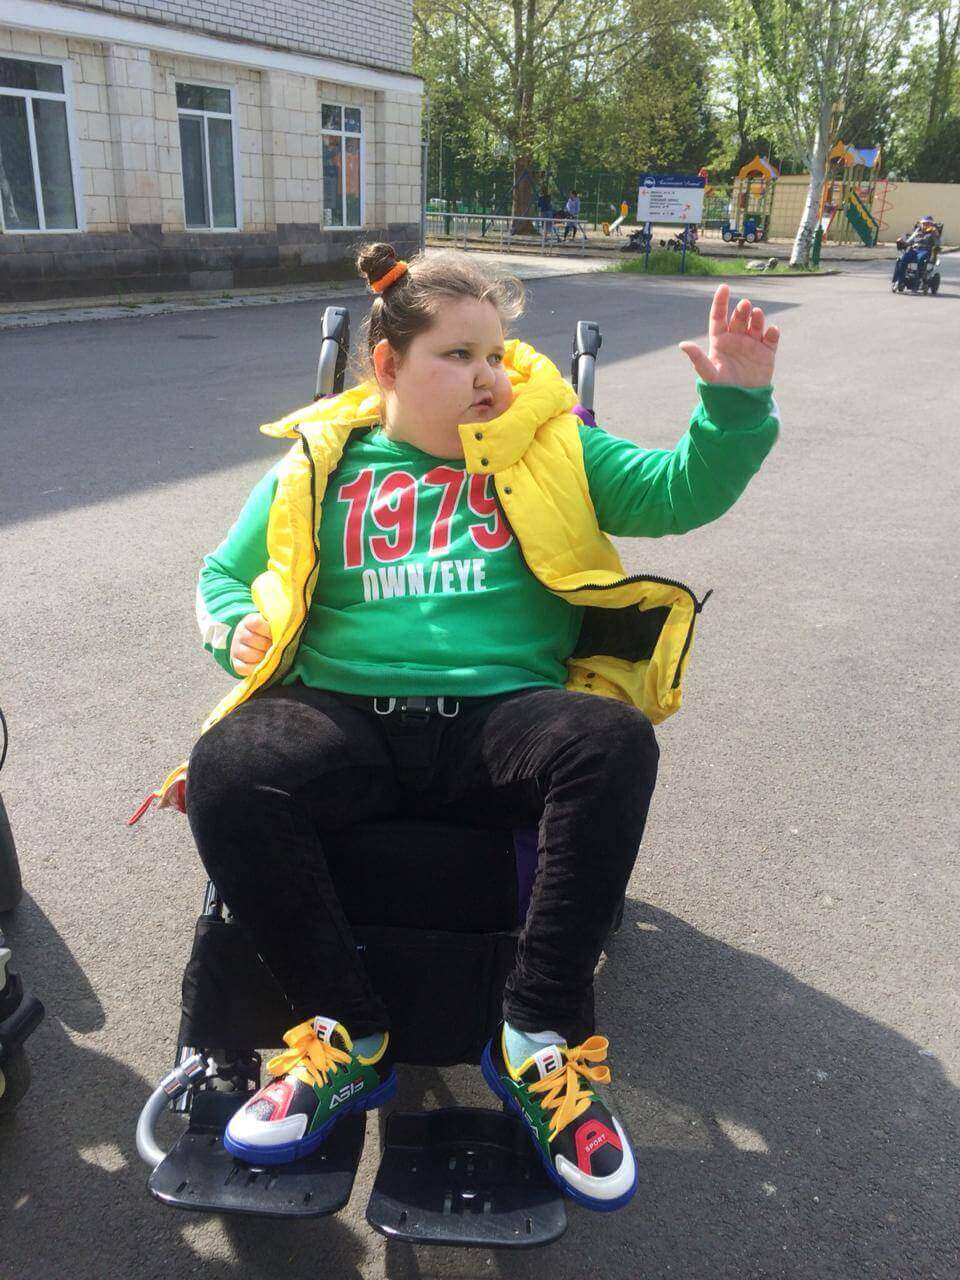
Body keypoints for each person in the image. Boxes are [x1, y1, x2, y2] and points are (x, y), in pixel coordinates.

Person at [182, 242, 780, 1210]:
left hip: (502, 714)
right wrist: (232, 628)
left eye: (495, 353)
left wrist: (737, 404)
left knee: (610, 740)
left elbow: (679, 492)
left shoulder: (554, 445)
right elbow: (221, 576)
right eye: (458, 355)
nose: (488, 375)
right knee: (230, 765)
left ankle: (537, 1033)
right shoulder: (321, 463)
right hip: (344, 712)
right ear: (388, 363)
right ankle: (347, 1034)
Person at [892, 214, 941, 288]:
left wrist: (936, 235)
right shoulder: (917, 231)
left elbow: (938, 243)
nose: (926, 225)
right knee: (902, 259)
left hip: (925, 250)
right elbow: (909, 241)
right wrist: (902, 242)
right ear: (921, 224)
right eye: (924, 223)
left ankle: (918, 280)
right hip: (914, 249)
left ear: (931, 225)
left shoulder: (933, 232)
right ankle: (900, 281)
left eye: (928, 223)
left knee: (921, 259)